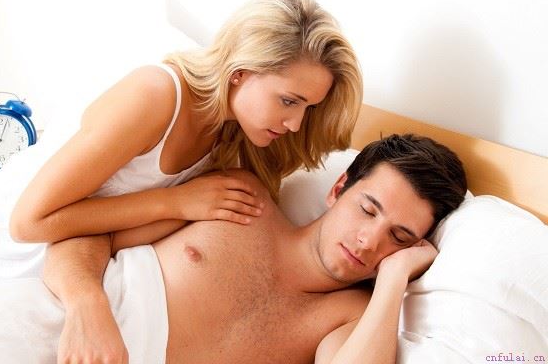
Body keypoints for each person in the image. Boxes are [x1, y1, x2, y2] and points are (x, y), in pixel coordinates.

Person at [43, 134, 467, 364]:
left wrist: (393, 279)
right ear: (338, 188)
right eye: (367, 210)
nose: (369, 241)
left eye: (399, 237)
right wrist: (86, 307)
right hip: (55, 328)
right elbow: (83, 235)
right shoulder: (241, 198)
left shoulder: (350, 316)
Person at [8, 0, 362, 247]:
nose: (296, 124)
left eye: (308, 108)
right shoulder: (155, 95)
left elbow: (115, 239)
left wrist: (184, 210)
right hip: (19, 239)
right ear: (241, 72)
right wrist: (175, 202)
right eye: (288, 101)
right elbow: (27, 223)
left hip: (77, 249)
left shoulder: (236, 137)